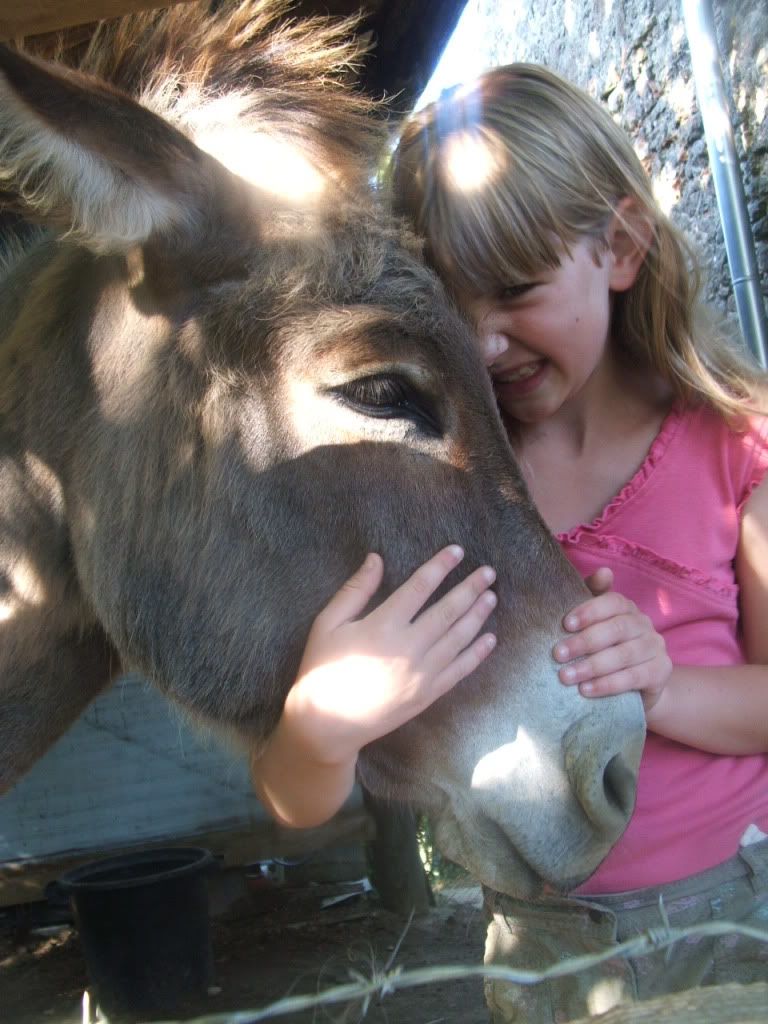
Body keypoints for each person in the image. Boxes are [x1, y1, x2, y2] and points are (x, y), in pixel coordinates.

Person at [252, 63, 768, 1019]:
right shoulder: (428, 489)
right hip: (540, 950)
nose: (486, 344)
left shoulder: (739, 446)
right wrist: (319, 724)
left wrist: (664, 688)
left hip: (738, 924)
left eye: (519, 289)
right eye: (456, 311)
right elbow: (295, 799)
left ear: (619, 245)